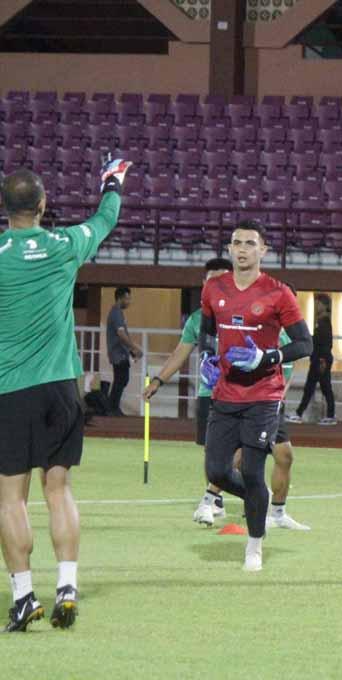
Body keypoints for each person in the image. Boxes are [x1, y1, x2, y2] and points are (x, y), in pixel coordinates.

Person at [0, 158, 131, 632]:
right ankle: (68, 587)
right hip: (61, 388)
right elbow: (105, 218)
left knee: (10, 499)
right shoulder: (64, 245)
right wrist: (112, 182)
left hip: (9, 390)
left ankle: (22, 597)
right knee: (58, 490)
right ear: (42, 204)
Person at [143, 260, 309, 531]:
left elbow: (288, 368)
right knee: (224, 454)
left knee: (282, 456)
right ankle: (213, 500)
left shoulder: (265, 321)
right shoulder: (201, 319)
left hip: (264, 398)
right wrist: (161, 379)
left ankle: (273, 512)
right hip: (217, 393)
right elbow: (182, 350)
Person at [197, 221, 312, 571]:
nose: (242, 249)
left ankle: (254, 547)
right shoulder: (212, 289)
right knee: (216, 468)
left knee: (251, 469)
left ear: (264, 250)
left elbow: (305, 344)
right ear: (230, 249)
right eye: (236, 243)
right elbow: (206, 335)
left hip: (264, 394)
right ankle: (257, 500)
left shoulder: (278, 293)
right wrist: (207, 359)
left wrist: (268, 357)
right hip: (225, 393)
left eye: (250, 243)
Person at [287, 293, 336, 426]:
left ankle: (301, 414)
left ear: (324, 305)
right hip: (319, 359)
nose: (316, 305)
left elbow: (325, 343)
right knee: (315, 387)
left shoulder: (323, 322)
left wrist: (322, 360)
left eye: (318, 303)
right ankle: (300, 413)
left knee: (321, 387)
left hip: (320, 360)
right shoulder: (322, 321)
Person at [104, 286, 143, 416]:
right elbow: (121, 334)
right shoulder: (116, 313)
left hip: (121, 353)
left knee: (121, 380)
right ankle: (112, 408)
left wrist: (131, 351)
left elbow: (122, 335)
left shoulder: (117, 313)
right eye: (127, 298)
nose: (129, 301)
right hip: (118, 354)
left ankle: (112, 408)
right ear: (120, 298)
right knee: (121, 379)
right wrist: (134, 348)